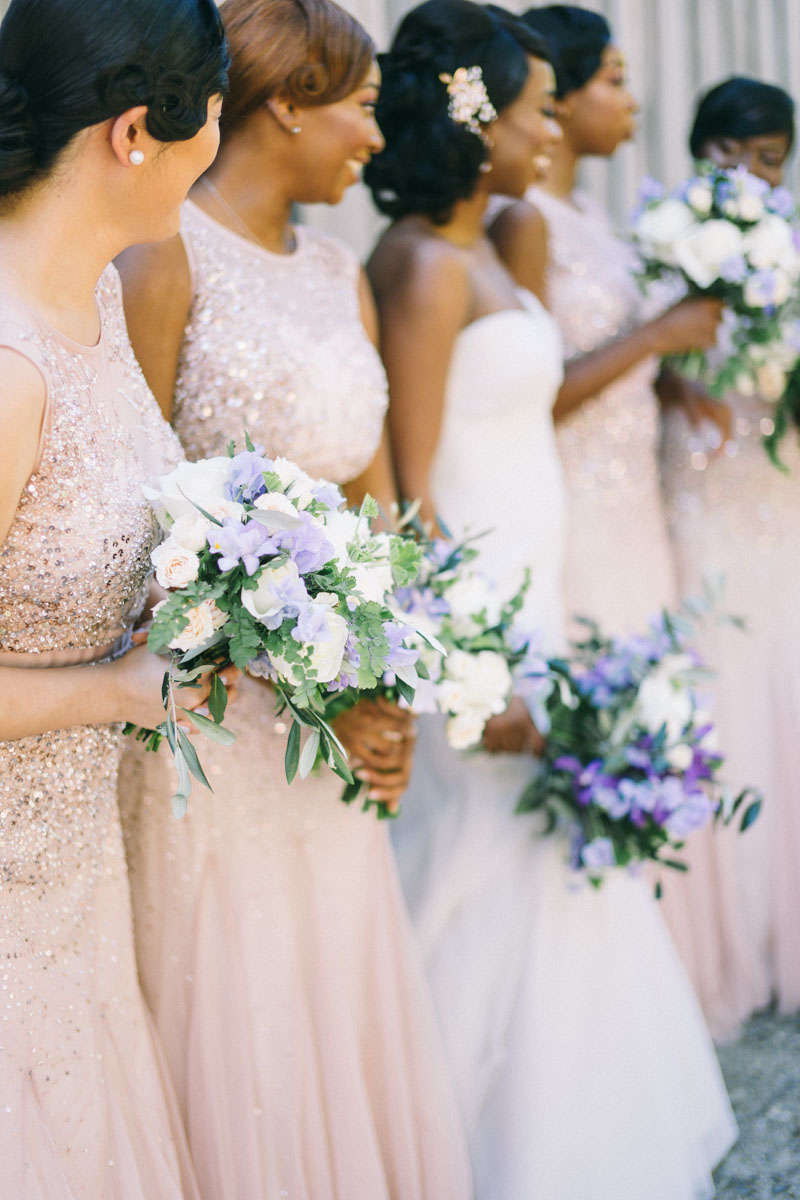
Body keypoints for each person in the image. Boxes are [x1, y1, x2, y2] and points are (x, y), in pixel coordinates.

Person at [366, 3, 736, 1197]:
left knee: (553, 877)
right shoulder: (421, 266)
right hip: (480, 628)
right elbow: (408, 499)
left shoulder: (497, 243)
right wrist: (467, 671)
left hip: (541, 590)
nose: (546, 130)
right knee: (476, 875)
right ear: (478, 120)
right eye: (529, 109)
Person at [116, 1, 472, 1196]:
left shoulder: (336, 273)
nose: (374, 137)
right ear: (285, 104)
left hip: (333, 710)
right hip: (215, 715)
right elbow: (132, 521)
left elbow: (376, 508)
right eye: (361, 107)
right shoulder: (163, 254)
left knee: (331, 986)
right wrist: (280, 662)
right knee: (239, 1008)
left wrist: (392, 685)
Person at [0, 0, 229, 1195]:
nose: (214, 158)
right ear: (138, 131)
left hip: (72, 868)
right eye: (211, 128)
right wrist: (119, 688)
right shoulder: (7, 366)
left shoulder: (86, 302)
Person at [488, 3, 721, 634]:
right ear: (558, 98)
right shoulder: (524, 220)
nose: (632, 102)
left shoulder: (589, 213)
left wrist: (670, 381)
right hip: (573, 500)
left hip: (633, 497)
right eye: (613, 80)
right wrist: (658, 336)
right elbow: (525, 393)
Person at [658, 77, 800, 1041]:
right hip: (699, 505)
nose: (748, 177)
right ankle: (717, 943)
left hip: (776, 497)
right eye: (731, 155)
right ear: (699, 151)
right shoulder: (664, 254)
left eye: (769, 161)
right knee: (715, 688)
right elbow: (634, 355)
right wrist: (673, 375)